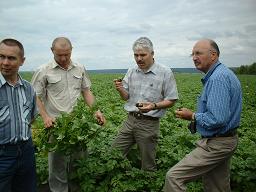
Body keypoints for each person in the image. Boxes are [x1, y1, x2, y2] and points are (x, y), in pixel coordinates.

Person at [164, 39, 242, 192]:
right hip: (225, 140)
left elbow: (217, 119)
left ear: (213, 55)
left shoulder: (217, 78)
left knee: (174, 177)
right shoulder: (223, 73)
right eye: (192, 54)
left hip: (217, 144)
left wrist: (192, 116)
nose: (194, 57)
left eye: (198, 53)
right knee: (217, 187)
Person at [31, 37, 105, 192]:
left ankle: (76, 188)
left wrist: (96, 111)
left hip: (78, 124)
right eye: (59, 55)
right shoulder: (43, 70)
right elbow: (35, 96)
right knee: (57, 165)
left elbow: (86, 91)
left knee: (78, 161)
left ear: (72, 51)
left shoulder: (79, 68)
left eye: (67, 54)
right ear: (52, 51)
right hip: (56, 125)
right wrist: (45, 116)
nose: (64, 59)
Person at [113, 37, 178, 171]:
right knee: (113, 154)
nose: (139, 59)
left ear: (152, 54)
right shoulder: (131, 71)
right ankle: (127, 175)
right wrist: (120, 89)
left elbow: (171, 99)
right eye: (136, 55)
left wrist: (153, 106)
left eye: (143, 55)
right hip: (130, 120)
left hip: (149, 123)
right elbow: (126, 97)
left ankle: (147, 183)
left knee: (148, 164)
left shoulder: (165, 72)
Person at [0, 38, 37, 192]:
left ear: (22, 61)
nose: (5, 62)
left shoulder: (28, 88)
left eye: (11, 58)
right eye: (1, 56)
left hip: (26, 152)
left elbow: (31, 118)